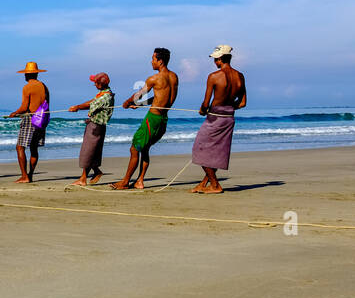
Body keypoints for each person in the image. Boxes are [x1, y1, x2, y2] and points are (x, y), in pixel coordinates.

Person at [112, 48, 178, 190]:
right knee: (145, 148)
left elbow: (139, 94)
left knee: (134, 148)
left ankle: (125, 182)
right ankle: (139, 181)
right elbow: (161, 98)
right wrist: (139, 104)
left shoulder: (154, 78)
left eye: (153, 58)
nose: (151, 61)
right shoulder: (174, 77)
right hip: (163, 119)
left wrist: (128, 102)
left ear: (160, 61)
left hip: (153, 118)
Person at [191, 45, 246, 194]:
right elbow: (242, 103)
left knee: (199, 149)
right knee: (216, 152)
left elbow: (205, 103)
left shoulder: (214, 76)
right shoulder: (240, 76)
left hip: (215, 117)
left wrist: (203, 110)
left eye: (216, 59)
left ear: (221, 59)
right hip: (229, 117)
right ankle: (204, 183)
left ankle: (215, 185)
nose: (215, 62)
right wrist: (228, 108)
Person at [6, 62, 50, 183]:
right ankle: (30, 175)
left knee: (20, 147)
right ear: (36, 74)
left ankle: (24, 176)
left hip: (31, 118)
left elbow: (24, 107)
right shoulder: (44, 86)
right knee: (34, 148)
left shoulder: (27, 87)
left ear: (27, 74)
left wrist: (14, 113)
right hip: (42, 119)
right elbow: (46, 104)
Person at [68, 73, 115, 185]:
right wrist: (78, 106)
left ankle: (83, 178)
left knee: (88, 151)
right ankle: (95, 172)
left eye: (95, 82)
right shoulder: (104, 93)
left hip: (95, 126)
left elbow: (91, 105)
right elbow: (93, 101)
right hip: (97, 126)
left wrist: (77, 107)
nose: (94, 84)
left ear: (100, 84)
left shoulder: (105, 97)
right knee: (92, 151)